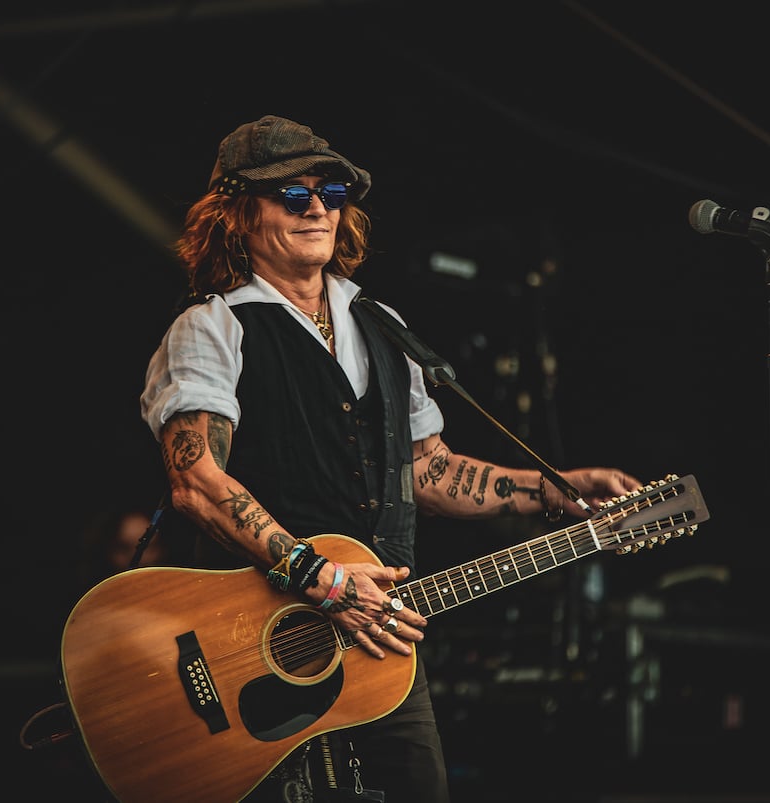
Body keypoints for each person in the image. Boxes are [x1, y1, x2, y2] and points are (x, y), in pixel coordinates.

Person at [138, 114, 644, 802]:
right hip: (249, 642)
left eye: (331, 189)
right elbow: (196, 481)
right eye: (290, 194)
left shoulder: (381, 325)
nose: (316, 206)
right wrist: (319, 578)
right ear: (237, 216)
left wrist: (553, 488)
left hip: (379, 638)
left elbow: (430, 470)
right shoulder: (214, 325)